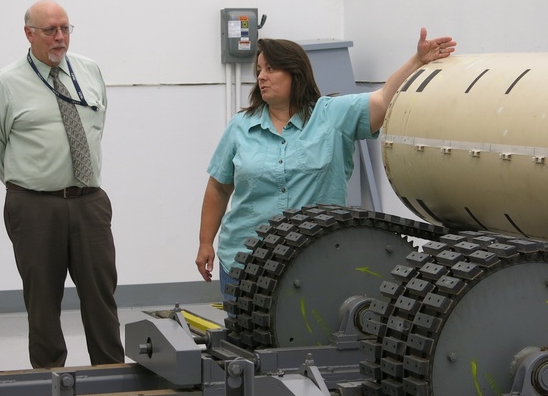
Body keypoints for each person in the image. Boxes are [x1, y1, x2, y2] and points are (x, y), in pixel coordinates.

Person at [195, 28, 456, 297]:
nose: (261, 76)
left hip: (315, 259)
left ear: (295, 73)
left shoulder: (332, 116)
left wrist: (417, 60)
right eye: (259, 70)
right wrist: (206, 242)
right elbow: (218, 188)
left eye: (271, 69)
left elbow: (382, 99)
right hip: (244, 258)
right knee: (242, 337)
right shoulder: (240, 127)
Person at [0, 0, 123, 369]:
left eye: (65, 29)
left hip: (89, 202)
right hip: (34, 206)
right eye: (50, 31)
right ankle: (50, 383)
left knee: (102, 298)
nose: (59, 38)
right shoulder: (7, 83)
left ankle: (110, 379)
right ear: (29, 34)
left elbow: (96, 129)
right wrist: (34, 182)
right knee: (43, 302)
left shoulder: (89, 71)